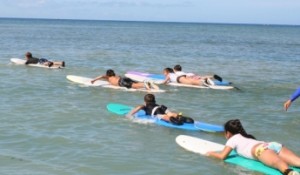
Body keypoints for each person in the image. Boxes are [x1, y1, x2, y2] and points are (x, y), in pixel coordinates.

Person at [206, 119, 300, 175]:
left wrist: (211, 153)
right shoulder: (246, 137)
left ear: (228, 133)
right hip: (271, 145)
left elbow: (223, 156)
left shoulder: (232, 139)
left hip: (261, 151)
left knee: (283, 167)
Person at [127, 94, 194, 125]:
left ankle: (173, 120)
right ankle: (180, 117)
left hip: (155, 111)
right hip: (161, 107)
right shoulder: (155, 103)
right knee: (171, 114)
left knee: (164, 116)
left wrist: (129, 114)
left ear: (145, 101)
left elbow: (137, 108)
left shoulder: (144, 106)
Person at [91, 69, 159, 90]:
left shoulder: (107, 77)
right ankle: (148, 84)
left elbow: (100, 76)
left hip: (121, 82)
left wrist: (93, 80)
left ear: (107, 74)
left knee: (134, 86)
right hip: (123, 78)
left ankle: (145, 85)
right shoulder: (116, 76)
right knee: (135, 83)